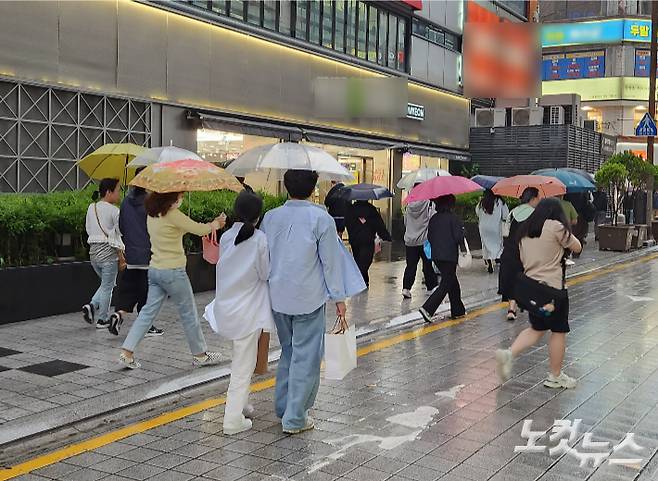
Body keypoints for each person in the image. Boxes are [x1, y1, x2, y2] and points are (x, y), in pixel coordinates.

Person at [260, 170, 351, 434]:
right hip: (308, 298)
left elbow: (264, 254)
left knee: (289, 352)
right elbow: (330, 264)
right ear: (313, 189)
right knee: (307, 358)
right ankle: (295, 417)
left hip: (278, 296)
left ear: (286, 187)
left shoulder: (271, 217)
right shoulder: (321, 219)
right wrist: (339, 299)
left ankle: (283, 406)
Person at [119, 191, 226, 369]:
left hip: (155, 270)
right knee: (189, 313)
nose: (181, 199)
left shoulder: (153, 215)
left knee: (147, 313)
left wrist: (208, 224)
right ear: (171, 199)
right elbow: (199, 229)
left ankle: (126, 352)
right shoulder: (173, 214)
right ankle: (200, 355)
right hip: (173, 272)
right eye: (180, 196)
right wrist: (216, 223)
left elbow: (179, 229)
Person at [204, 191, 274, 435]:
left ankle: (242, 405)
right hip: (249, 311)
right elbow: (265, 273)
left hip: (227, 309)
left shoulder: (227, 237)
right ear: (258, 216)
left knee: (241, 358)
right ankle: (232, 420)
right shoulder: (260, 239)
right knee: (243, 367)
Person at [496, 197, 582, 389]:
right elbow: (577, 247)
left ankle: (509, 354)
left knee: (537, 329)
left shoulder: (525, 231)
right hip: (554, 291)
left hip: (533, 291)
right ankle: (555, 376)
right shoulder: (555, 227)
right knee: (559, 331)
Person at [108, 179, 164, 337]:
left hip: (131, 254)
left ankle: (118, 314)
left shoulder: (126, 202)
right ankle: (146, 326)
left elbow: (122, 227)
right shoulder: (150, 202)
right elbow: (157, 228)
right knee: (147, 292)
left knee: (129, 290)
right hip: (148, 254)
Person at [418, 194, 467, 323]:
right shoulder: (454, 219)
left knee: (452, 282)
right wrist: (462, 232)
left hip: (437, 256)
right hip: (449, 256)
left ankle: (458, 310)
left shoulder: (434, 219)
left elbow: (430, 237)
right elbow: (458, 238)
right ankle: (428, 308)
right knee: (446, 283)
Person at [83, 178, 123, 330]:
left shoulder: (91, 208)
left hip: (93, 253)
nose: (119, 194)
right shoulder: (115, 211)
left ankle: (91, 306)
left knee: (107, 284)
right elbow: (120, 231)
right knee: (108, 287)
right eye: (117, 190)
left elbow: (88, 229)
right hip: (108, 252)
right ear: (108, 192)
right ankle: (102, 319)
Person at [498, 187, 540, 321]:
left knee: (512, 279)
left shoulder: (513, 212)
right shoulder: (536, 214)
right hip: (527, 252)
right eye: (538, 198)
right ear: (533, 198)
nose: (539, 201)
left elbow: (505, 232)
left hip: (510, 251)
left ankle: (512, 308)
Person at [345, 200, 392, 287]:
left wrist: (352, 233)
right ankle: (361, 279)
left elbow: (347, 223)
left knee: (358, 258)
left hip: (355, 240)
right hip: (368, 239)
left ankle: (363, 279)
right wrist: (385, 236)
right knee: (366, 260)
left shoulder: (351, 209)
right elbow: (378, 224)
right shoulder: (371, 209)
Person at [401, 189, 438, 299]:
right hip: (424, 240)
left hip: (410, 240)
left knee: (411, 265)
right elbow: (433, 220)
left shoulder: (409, 205)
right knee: (427, 264)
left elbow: (405, 222)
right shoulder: (429, 204)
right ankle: (431, 287)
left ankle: (406, 288)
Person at [476, 190, 509, 274]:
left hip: (483, 228)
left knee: (485, 245)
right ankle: (498, 259)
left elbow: (477, 213)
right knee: (498, 244)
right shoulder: (499, 201)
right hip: (495, 227)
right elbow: (506, 214)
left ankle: (489, 263)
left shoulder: (481, 203)